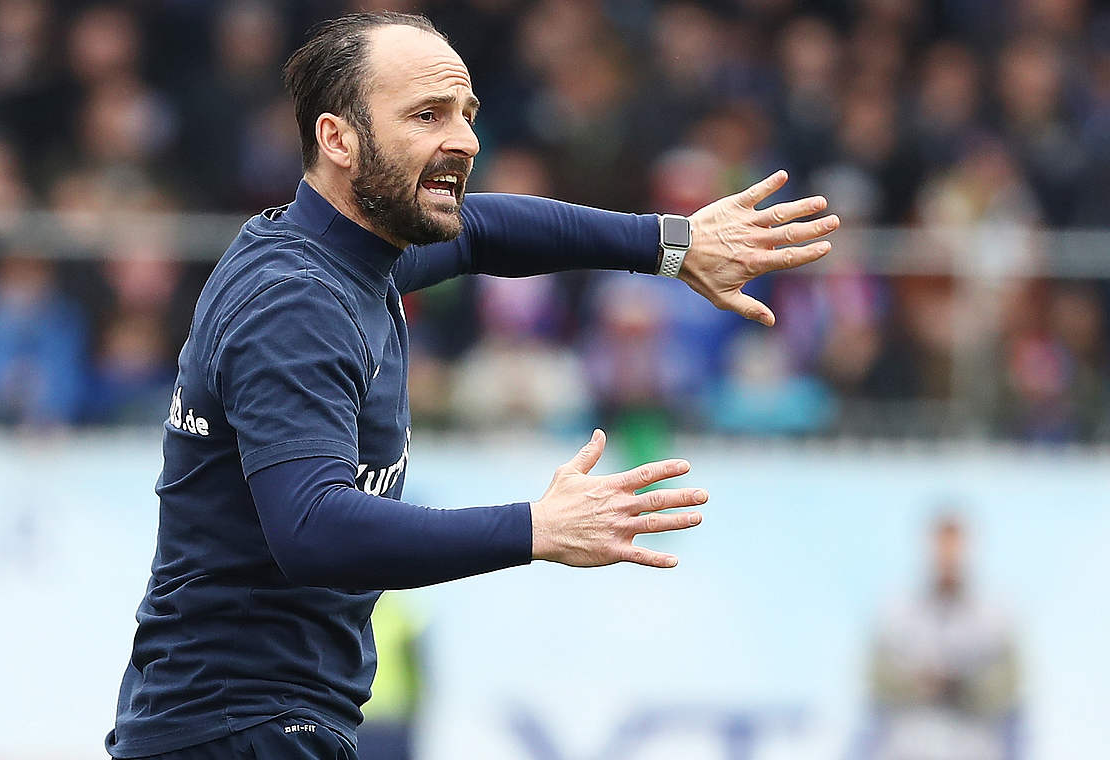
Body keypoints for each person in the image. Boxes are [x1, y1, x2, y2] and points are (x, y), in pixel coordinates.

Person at [107, 12, 838, 760]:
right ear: (337, 139)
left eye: (467, 114)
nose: (464, 139)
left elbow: (482, 232)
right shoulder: (298, 301)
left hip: (240, 727)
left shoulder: (346, 257)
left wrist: (669, 245)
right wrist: (537, 528)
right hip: (236, 734)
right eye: (427, 115)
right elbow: (312, 528)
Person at [864, 513, 1022, 760]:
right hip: (909, 746)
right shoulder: (897, 612)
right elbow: (878, 679)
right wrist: (919, 685)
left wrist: (960, 687)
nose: (947, 556)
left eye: (954, 547)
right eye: (941, 546)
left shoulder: (994, 616)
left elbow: (1008, 684)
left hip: (974, 746)